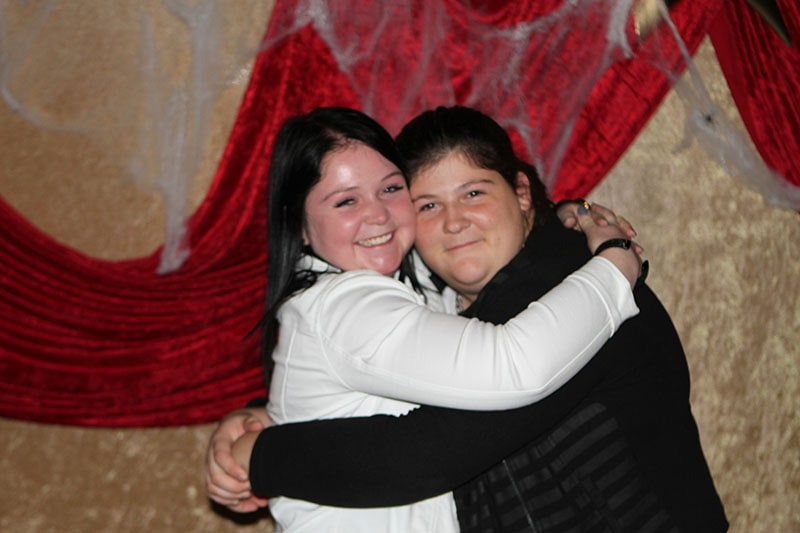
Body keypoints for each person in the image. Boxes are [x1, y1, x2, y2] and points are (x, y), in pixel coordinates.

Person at [208, 106, 727, 532]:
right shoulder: (437, 301)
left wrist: (262, 455)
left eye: (473, 193)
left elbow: (425, 451)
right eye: (427, 204)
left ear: (520, 192)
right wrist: (274, 412)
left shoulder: (573, 289)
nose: (453, 222)